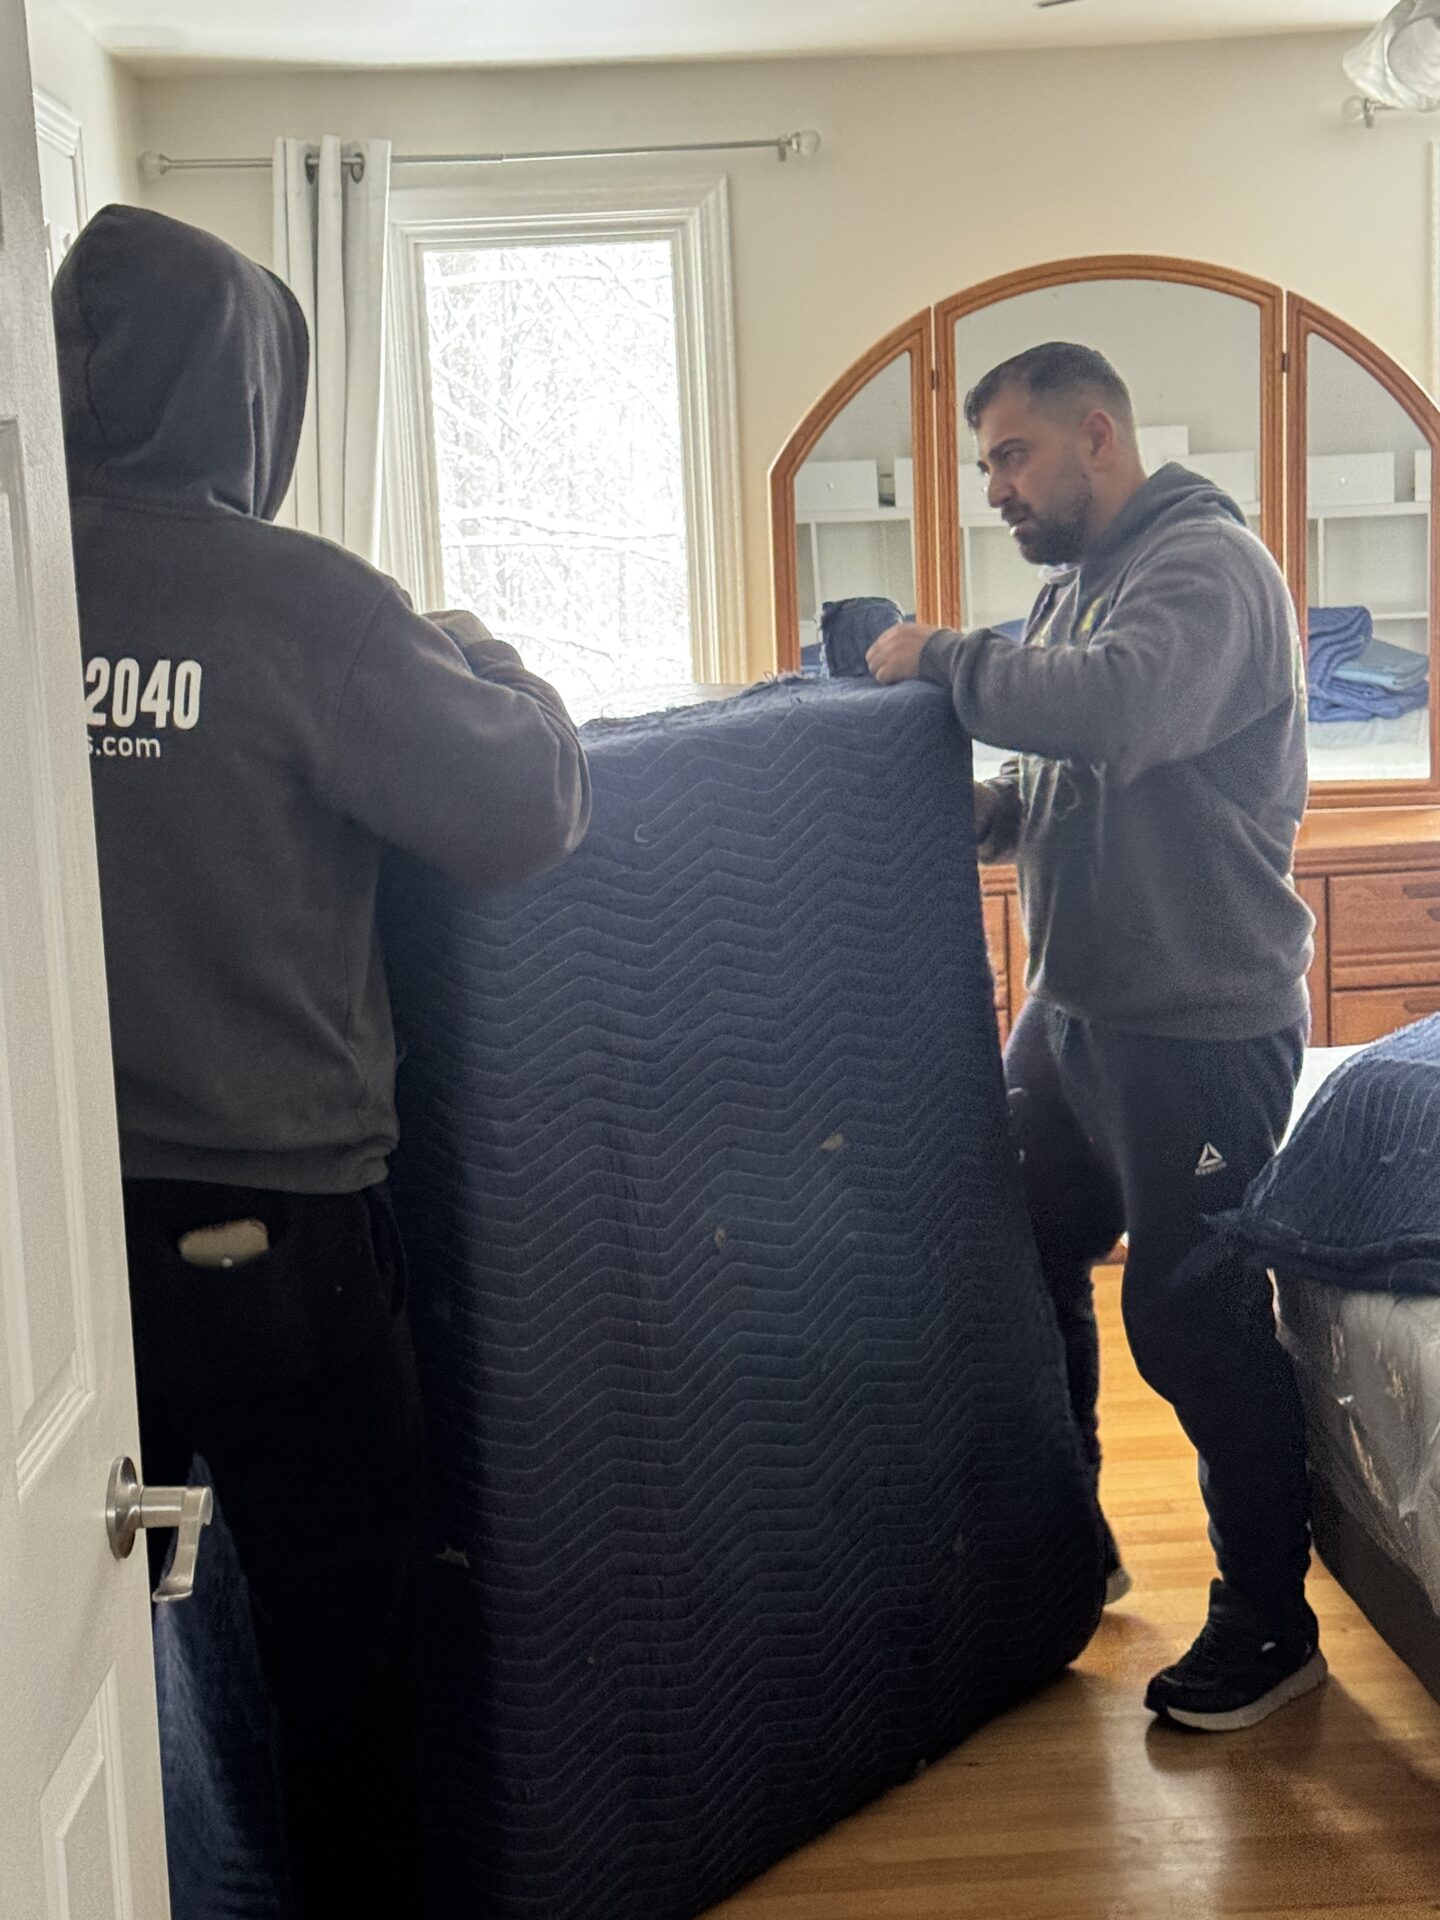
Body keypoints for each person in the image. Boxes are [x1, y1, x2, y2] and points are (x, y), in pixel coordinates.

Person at [53, 204, 591, 1913]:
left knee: (60, 1655)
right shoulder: (307, 608)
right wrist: (488, 655)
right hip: (276, 1224)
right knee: (345, 1653)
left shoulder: (14, 582)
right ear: (254, 397)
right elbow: (525, 811)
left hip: (49, 1258)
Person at [867, 342, 1321, 1733]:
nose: (995, 489)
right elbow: (1069, 767)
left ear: (1099, 438)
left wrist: (938, 657)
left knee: (1186, 1317)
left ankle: (1270, 1620)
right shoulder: (1077, 592)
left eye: (1012, 455)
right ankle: (1069, 1542)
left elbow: (1118, 711)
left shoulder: (1206, 570)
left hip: (1195, 1024)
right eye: (987, 463)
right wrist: (991, 813)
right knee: (1010, 1247)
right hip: (1079, 1019)